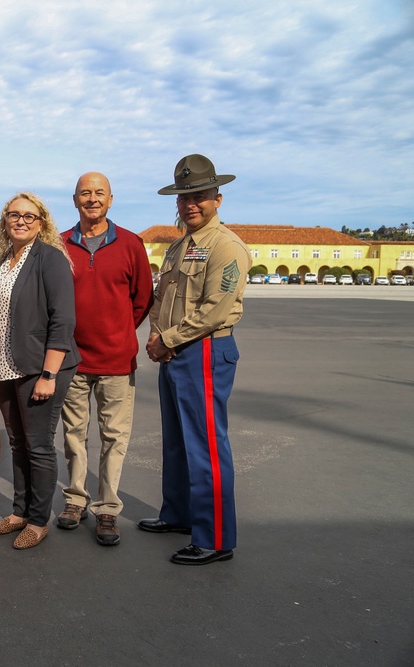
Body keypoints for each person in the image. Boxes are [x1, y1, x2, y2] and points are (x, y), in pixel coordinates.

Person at [140, 154, 251, 566]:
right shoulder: (178, 247)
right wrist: (156, 334)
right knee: (177, 441)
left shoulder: (226, 246)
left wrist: (166, 339)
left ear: (217, 199)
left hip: (204, 349)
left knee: (205, 446)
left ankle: (215, 537)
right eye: (185, 197)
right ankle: (179, 514)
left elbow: (215, 309)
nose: (191, 204)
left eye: (200, 196)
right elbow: (163, 297)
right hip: (174, 351)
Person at [56, 173, 154, 546]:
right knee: (74, 436)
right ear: (75, 199)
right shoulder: (60, 244)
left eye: (99, 193)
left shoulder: (131, 244)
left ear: (110, 199)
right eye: (85, 193)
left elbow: (142, 298)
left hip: (116, 360)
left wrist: (119, 332)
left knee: (115, 437)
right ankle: (75, 499)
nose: (92, 199)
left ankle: (108, 507)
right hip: (73, 360)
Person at [0, 193, 79, 550]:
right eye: (13, 215)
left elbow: (63, 318)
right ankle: (19, 511)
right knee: (18, 444)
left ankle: (38, 520)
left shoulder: (49, 259)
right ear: (5, 220)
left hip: (40, 368)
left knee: (38, 446)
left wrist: (49, 375)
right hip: (4, 367)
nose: (20, 221)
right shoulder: (2, 260)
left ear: (41, 223)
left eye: (29, 216)